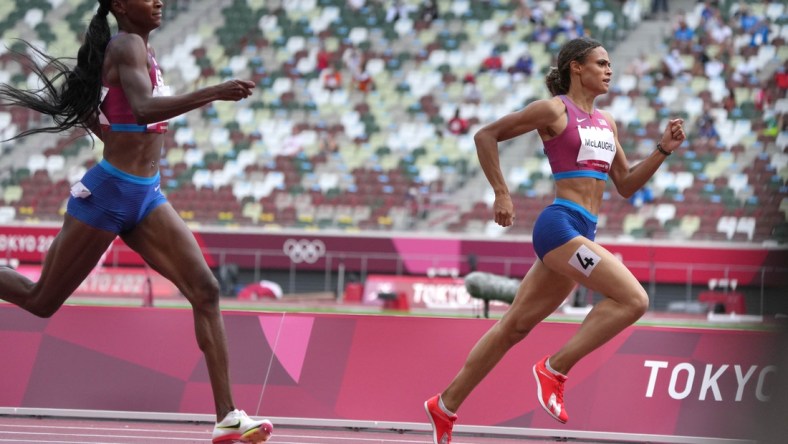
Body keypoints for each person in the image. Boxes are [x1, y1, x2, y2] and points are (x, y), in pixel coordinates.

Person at [0, 1, 272, 443]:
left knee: (205, 290)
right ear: (123, 7)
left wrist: (106, 123)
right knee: (40, 300)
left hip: (146, 194)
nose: (159, 1)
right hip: (110, 193)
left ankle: (227, 417)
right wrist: (214, 91)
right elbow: (144, 109)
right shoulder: (126, 44)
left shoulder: (139, 48)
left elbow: (117, 112)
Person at [423, 37, 685, 444]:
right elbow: (485, 136)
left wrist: (662, 151)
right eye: (601, 63)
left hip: (584, 231)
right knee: (634, 300)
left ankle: (445, 404)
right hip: (559, 226)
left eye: (610, 64)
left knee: (513, 327)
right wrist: (501, 192)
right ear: (575, 68)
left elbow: (627, 184)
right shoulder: (554, 110)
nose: (609, 70)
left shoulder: (606, 122)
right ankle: (555, 368)